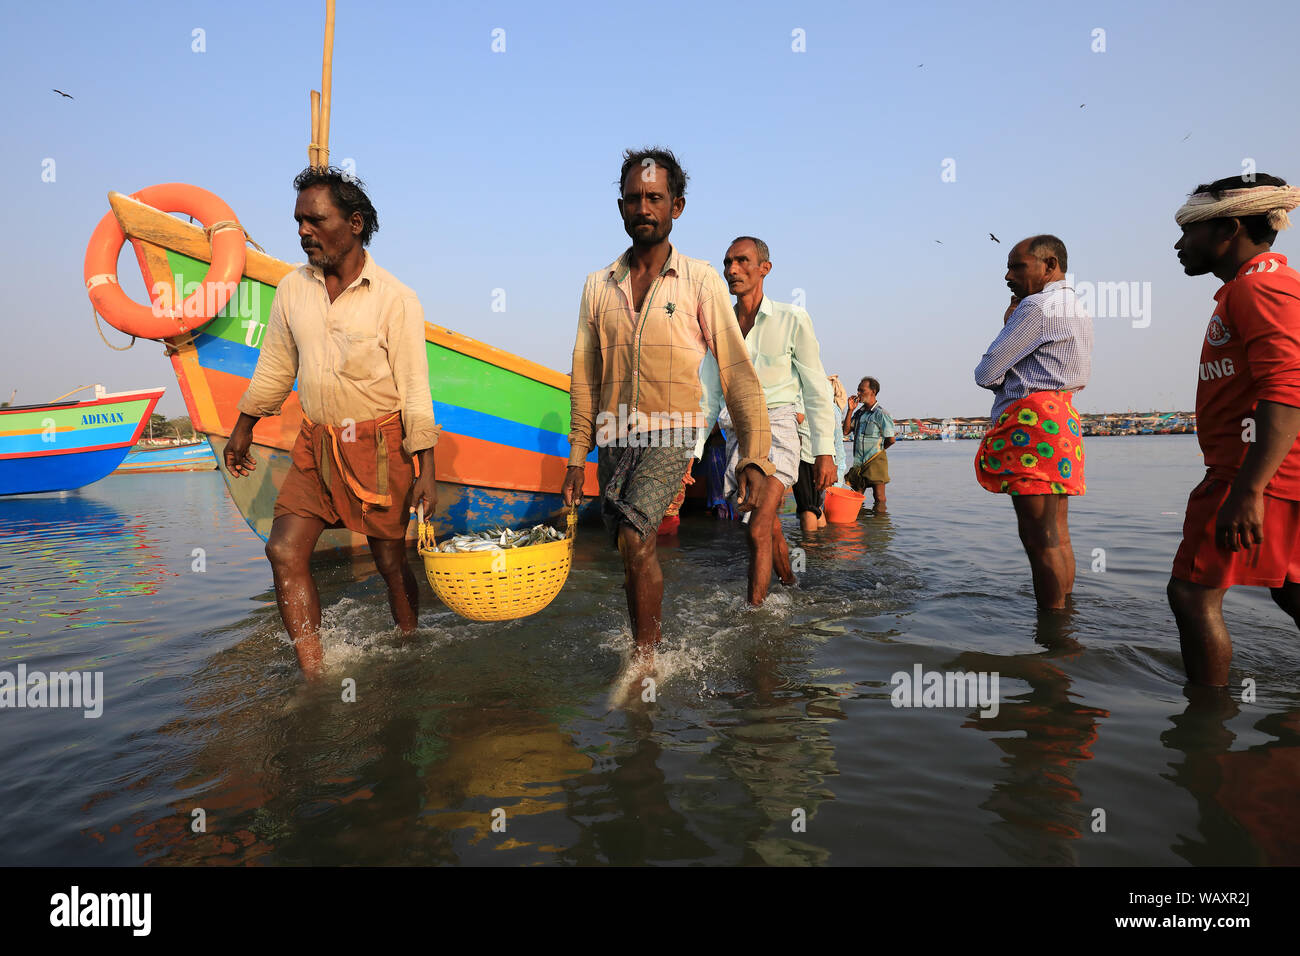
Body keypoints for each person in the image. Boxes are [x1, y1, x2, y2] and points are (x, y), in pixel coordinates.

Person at [225, 167, 440, 678]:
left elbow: (414, 390)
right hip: (316, 444)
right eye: (299, 221)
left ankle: (410, 643)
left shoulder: (395, 298)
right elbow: (276, 367)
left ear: (356, 223)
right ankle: (315, 675)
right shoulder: (291, 290)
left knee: (390, 564)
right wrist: (242, 427)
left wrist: (426, 470)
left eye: (316, 221)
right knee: (282, 549)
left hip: (380, 448)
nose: (304, 232)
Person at [561, 148, 772, 658]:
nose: (644, 208)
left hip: (673, 432)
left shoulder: (699, 280)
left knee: (636, 536)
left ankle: (646, 663)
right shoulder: (597, 286)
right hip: (614, 435)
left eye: (655, 198)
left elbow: (737, 373)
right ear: (620, 208)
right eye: (634, 198)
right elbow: (585, 375)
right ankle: (644, 645)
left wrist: (755, 456)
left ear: (676, 206)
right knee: (629, 550)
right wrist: (575, 456)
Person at [1165, 174, 1300, 686]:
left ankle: (1208, 728)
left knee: (1192, 592)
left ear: (1231, 228)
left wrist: (1248, 490)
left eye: (1190, 231)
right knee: (1289, 588)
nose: (1180, 244)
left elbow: (1287, 389)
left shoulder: (1263, 288)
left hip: (1253, 472)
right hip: (1273, 472)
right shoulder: (1252, 287)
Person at [697, 237, 838, 601]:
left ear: (765, 268)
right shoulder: (719, 327)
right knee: (769, 524)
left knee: (757, 528)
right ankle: (792, 585)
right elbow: (709, 395)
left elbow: (815, 388)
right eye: (727, 262)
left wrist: (825, 451)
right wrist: (691, 454)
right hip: (736, 434)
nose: (732, 270)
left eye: (742, 261)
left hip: (779, 426)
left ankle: (755, 622)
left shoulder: (793, 319)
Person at [973, 235, 1092, 611]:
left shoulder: (1036, 308)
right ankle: (1066, 616)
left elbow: (986, 372)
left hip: (1032, 422)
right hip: (1063, 418)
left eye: (1018, 266)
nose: (1008, 275)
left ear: (1049, 265)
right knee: (1058, 535)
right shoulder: (1075, 305)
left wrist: (1008, 323)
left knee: (1039, 539)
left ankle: (1052, 630)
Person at [843, 377, 895, 511]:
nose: (858, 393)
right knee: (855, 496)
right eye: (858, 390)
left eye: (862, 390)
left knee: (879, 497)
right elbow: (846, 431)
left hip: (875, 460)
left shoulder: (881, 414)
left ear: (873, 391)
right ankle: (857, 525)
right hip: (859, 462)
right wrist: (850, 410)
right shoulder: (859, 413)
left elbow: (891, 439)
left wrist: (879, 452)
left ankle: (880, 527)